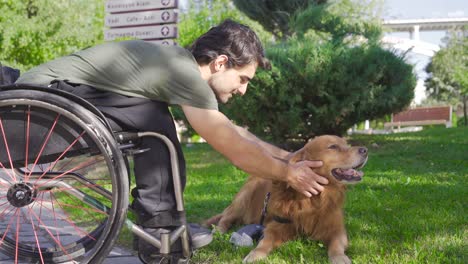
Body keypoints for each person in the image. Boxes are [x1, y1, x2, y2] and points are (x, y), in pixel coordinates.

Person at [15, 19, 328, 262]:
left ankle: (163, 232)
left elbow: (232, 132)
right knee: (153, 121)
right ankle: (161, 233)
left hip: (54, 99)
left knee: (153, 117)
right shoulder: (184, 73)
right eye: (243, 79)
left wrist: (290, 157)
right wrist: (288, 173)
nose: (243, 90)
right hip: (38, 106)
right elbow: (231, 146)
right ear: (220, 63)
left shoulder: (175, 66)